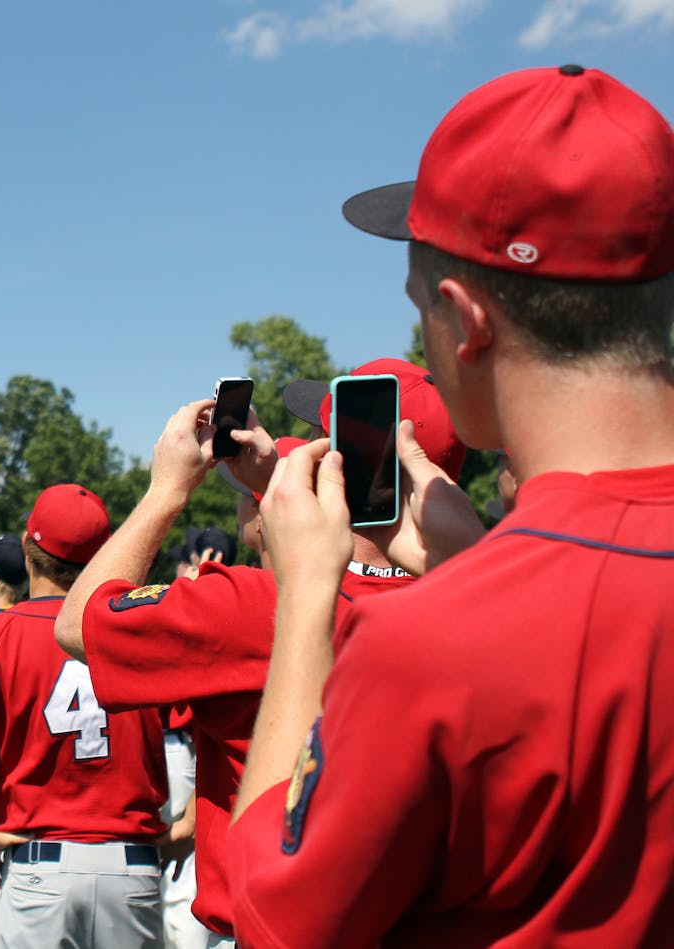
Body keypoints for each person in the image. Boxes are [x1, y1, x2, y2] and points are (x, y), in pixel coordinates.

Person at [226, 65, 674, 947]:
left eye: (419, 313)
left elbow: (276, 923)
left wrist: (309, 591)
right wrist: (485, 562)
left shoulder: (425, 644)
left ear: (465, 321)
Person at [53, 360, 461, 942]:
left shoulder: (253, 606)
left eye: (325, 442)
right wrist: (276, 486)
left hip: (281, 922)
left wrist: (167, 490)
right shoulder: (486, 605)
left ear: (344, 464)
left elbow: (77, 623)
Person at [0, 485, 172, 949]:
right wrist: (189, 825)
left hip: (39, 866)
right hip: (131, 867)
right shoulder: (145, 630)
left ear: (29, 548)